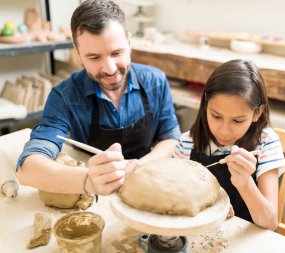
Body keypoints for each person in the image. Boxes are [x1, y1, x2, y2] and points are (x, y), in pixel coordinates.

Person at [16, 0, 180, 197]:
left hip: (147, 180)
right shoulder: (64, 97)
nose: (110, 69)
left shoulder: (155, 81)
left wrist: (140, 165)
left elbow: (171, 138)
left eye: (117, 53)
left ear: (129, 42)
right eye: (94, 57)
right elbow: (27, 170)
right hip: (92, 193)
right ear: (78, 55)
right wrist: (89, 181)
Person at [173, 59, 285, 230]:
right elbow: (174, 195)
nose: (224, 131)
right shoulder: (188, 142)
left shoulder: (266, 143)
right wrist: (209, 206)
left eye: (237, 120)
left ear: (257, 113)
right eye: (216, 116)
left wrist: (245, 183)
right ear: (205, 105)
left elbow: (270, 222)